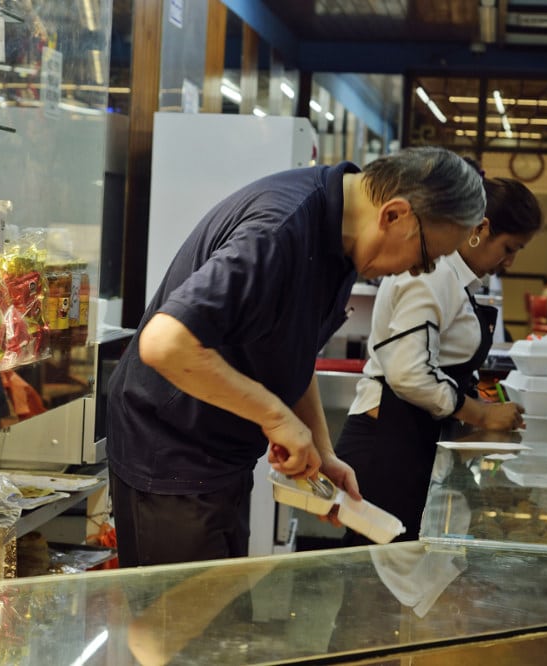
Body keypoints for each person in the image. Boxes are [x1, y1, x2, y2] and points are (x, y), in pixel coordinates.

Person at [106, 146, 487, 568]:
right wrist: (275, 417)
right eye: (425, 256)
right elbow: (164, 342)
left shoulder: (343, 241)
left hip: (221, 456)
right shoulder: (278, 230)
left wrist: (322, 449)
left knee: (216, 614)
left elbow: (293, 348)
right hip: (169, 451)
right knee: (175, 623)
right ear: (394, 214)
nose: (417, 272)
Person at [333, 175, 539, 547]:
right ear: (482, 228)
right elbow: (409, 374)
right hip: (385, 446)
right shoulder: (432, 275)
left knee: (394, 584)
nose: (509, 261)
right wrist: (479, 413)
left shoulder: (456, 280)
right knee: (373, 588)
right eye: (510, 248)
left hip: (409, 440)